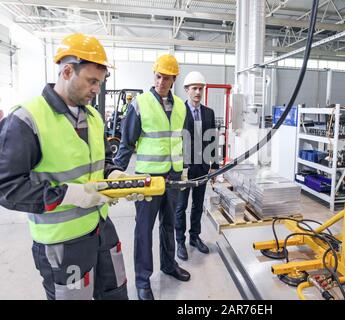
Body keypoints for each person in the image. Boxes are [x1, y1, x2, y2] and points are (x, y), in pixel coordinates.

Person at [0, 33, 129, 300]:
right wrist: (69, 195)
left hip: (101, 228)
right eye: (92, 81)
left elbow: (102, 160)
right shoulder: (26, 119)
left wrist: (114, 174)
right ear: (67, 71)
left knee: (116, 293)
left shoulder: (93, 116)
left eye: (100, 82)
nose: (97, 89)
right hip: (62, 243)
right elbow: (7, 188)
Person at [114, 54, 190, 300]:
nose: (161, 82)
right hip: (148, 179)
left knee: (169, 225)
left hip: (174, 177)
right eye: (158, 76)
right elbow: (127, 142)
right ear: (153, 75)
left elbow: (181, 138)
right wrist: (116, 174)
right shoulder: (140, 103)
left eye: (166, 78)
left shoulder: (180, 105)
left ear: (173, 79)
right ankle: (143, 281)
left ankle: (169, 265)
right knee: (144, 230)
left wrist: (185, 166)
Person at [175, 71, 219, 261]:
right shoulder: (179, 112)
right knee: (180, 206)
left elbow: (212, 139)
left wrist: (214, 165)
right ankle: (179, 241)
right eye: (194, 88)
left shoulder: (209, 112)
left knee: (198, 205)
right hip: (184, 169)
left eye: (200, 89)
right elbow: (175, 141)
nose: (198, 92)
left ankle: (194, 237)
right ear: (187, 90)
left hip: (202, 167)